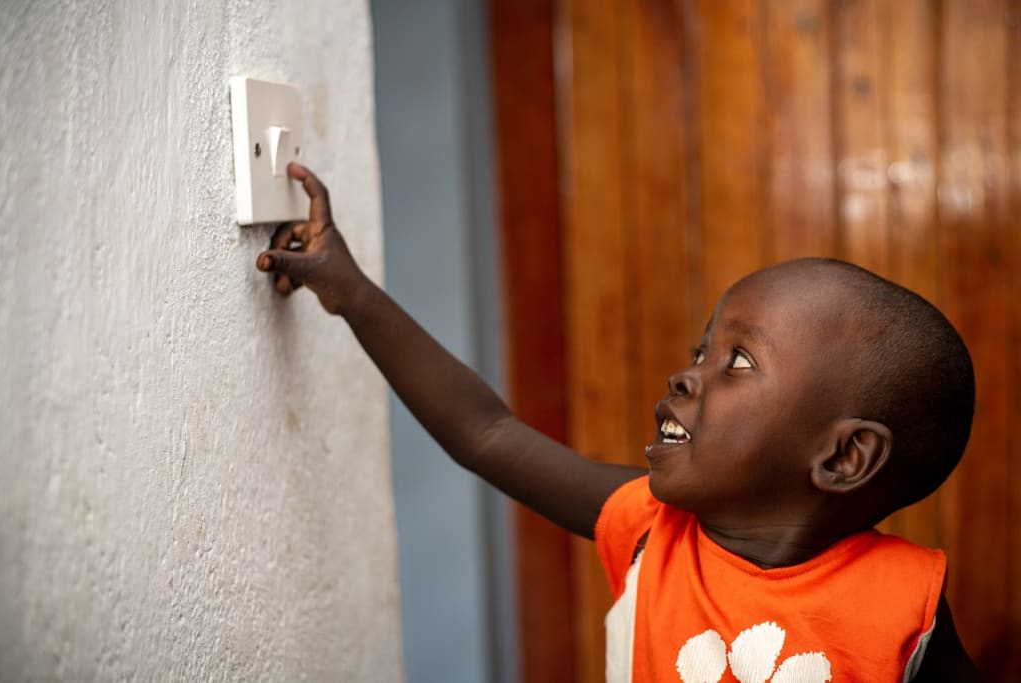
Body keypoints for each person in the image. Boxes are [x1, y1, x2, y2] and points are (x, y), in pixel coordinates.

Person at [256, 163, 982, 682]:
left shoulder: (905, 608)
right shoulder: (648, 533)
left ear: (844, 455)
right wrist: (352, 293)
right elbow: (487, 434)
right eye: (702, 348)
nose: (685, 373)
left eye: (736, 362)